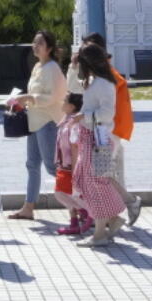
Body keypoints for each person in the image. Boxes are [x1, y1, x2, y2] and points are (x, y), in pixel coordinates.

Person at [67, 32, 142, 225]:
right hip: (100, 133)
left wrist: (88, 118)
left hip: (106, 134)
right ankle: (118, 211)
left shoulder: (108, 78)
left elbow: (110, 110)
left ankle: (114, 214)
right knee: (102, 175)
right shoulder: (95, 76)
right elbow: (74, 88)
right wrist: (73, 67)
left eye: (87, 49)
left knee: (101, 176)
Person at [7, 30, 67, 220]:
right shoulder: (38, 67)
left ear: (49, 48)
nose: (35, 46)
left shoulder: (53, 68)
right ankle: (28, 207)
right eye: (34, 42)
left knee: (52, 167)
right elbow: (35, 94)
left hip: (48, 122)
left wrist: (29, 97)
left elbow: (56, 96)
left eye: (39, 43)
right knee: (32, 164)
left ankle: (82, 203)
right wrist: (21, 101)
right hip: (34, 122)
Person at [71, 44, 126, 247]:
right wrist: (72, 66)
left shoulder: (102, 84)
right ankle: (112, 219)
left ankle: (101, 232)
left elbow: (106, 114)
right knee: (90, 180)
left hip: (100, 139)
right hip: (95, 137)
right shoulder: (95, 81)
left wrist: (83, 116)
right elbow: (73, 86)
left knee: (96, 182)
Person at [52, 92, 87, 235]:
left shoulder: (74, 123)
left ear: (72, 106)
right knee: (63, 193)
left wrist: (75, 167)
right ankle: (75, 219)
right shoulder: (65, 119)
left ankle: (85, 212)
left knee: (64, 193)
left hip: (71, 165)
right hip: (63, 163)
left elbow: (75, 147)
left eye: (65, 101)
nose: (62, 102)